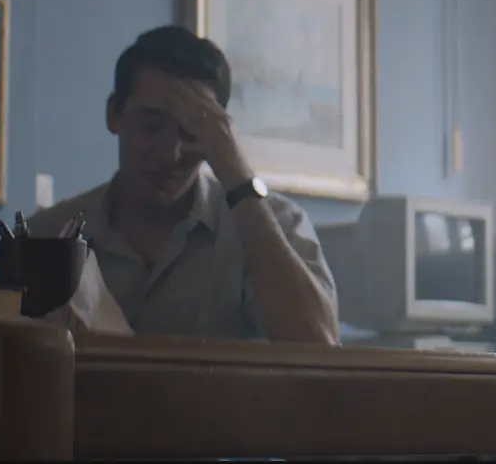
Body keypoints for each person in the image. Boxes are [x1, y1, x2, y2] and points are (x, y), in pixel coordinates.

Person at [29, 25, 341, 344]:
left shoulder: (277, 225)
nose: (170, 153)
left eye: (192, 133)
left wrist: (239, 179)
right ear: (114, 114)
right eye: (151, 127)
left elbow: (320, 349)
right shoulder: (45, 236)